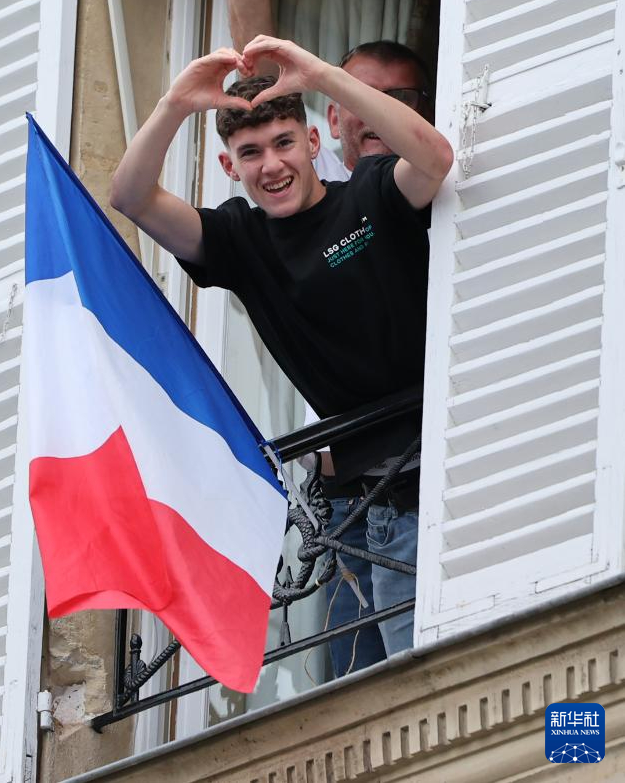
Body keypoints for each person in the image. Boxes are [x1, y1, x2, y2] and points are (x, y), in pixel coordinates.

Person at [109, 37, 453, 675]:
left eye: (284, 143)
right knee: (365, 705)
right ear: (229, 165)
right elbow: (130, 197)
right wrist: (176, 102)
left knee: (424, 687)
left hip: (431, 473)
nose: (271, 165)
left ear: (315, 142)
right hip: (355, 503)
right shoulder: (239, 238)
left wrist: (320, 75)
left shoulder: (370, 192)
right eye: (251, 152)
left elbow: (435, 157)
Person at [220, 0, 438, 672]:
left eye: (395, 97)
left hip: (432, 475)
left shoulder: (417, 180)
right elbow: (255, 69)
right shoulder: (318, 190)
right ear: (330, 122)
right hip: (349, 496)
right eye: (347, 92)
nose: (366, 110)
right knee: (352, 708)